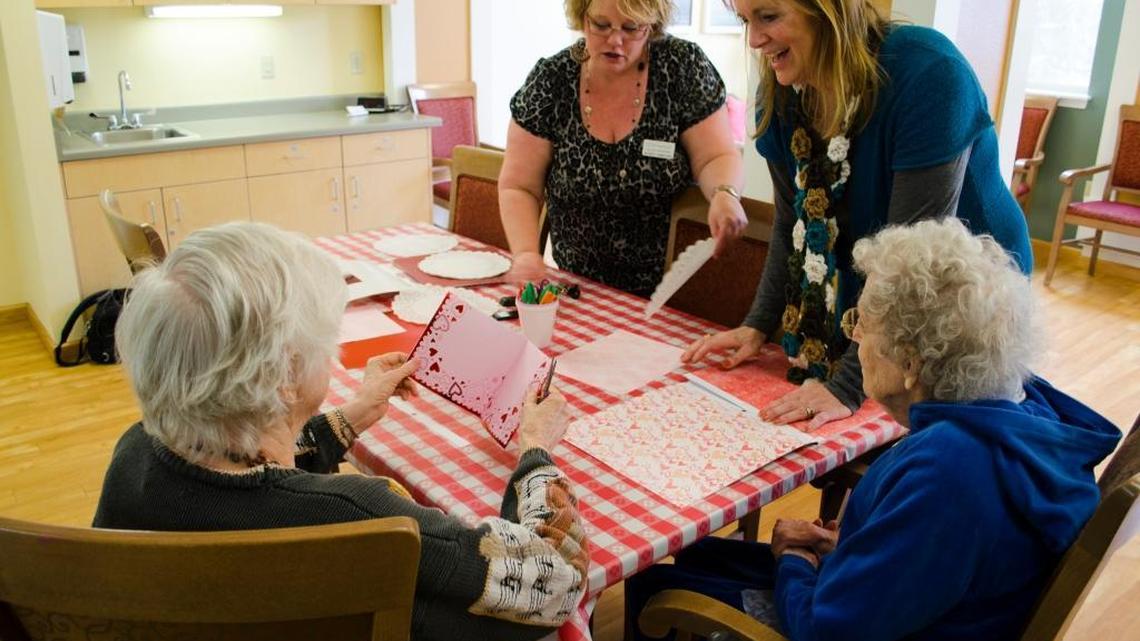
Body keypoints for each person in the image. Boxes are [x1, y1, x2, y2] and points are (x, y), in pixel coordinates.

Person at [626, 217, 1120, 641]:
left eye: (862, 324)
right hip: (932, 610)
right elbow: (935, 560)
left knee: (657, 588)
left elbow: (827, 630)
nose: (855, 339)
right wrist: (848, 547)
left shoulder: (948, 474)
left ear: (910, 363)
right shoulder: (1019, 420)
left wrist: (797, 557)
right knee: (695, 556)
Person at [93, 222, 588, 641]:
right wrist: (536, 449)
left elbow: (247, 474)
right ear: (286, 378)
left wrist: (350, 417)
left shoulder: (134, 454)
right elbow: (559, 584)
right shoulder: (363, 518)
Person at [683, 0, 1033, 430]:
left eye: (769, 17)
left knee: (951, 448)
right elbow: (790, 222)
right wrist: (757, 324)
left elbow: (910, 264)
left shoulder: (930, 74)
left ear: (829, 10)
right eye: (745, 20)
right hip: (884, 294)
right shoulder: (779, 92)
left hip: (965, 301)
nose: (754, 40)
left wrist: (845, 387)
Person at [499, 0, 748, 298]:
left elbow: (715, 156)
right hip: (578, 289)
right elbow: (519, 185)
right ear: (582, 18)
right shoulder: (552, 80)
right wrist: (526, 253)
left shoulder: (683, 67)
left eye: (632, 28)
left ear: (652, 25)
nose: (615, 40)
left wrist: (724, 192)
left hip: (673, 294)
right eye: (601, 25)